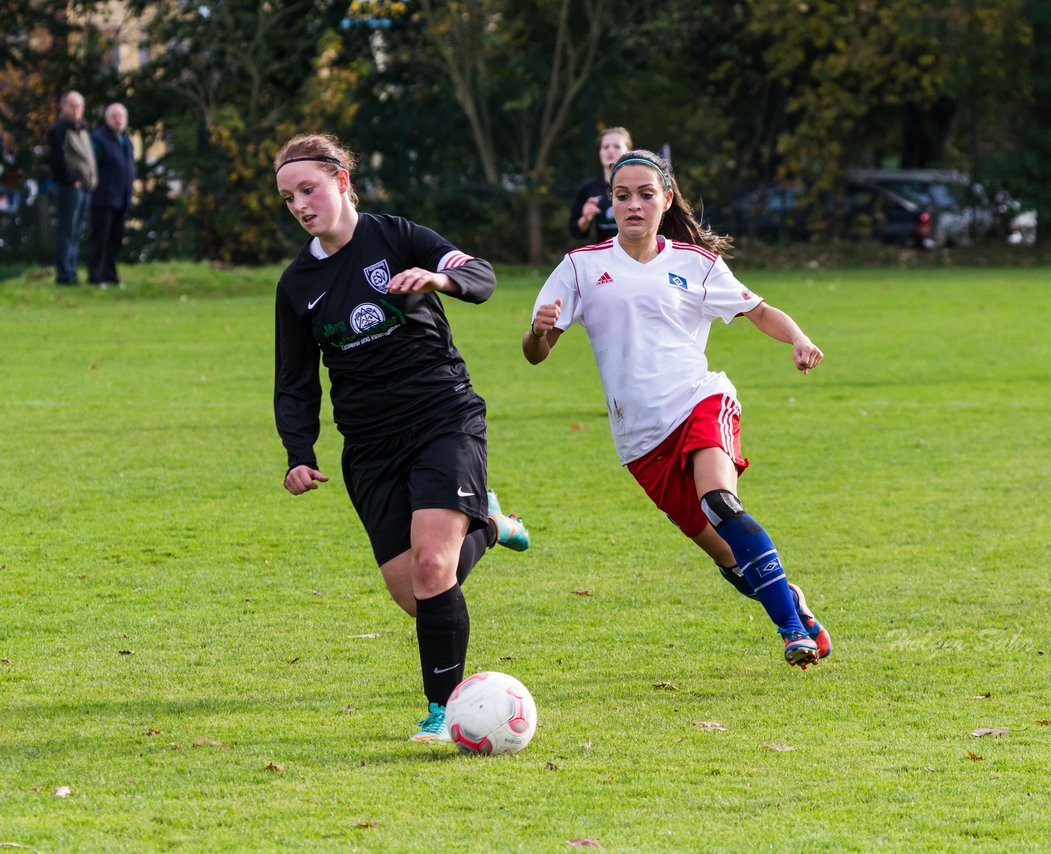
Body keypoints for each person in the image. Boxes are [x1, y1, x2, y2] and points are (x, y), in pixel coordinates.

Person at [524, 149, 832, 669]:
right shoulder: (580, 267)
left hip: (699, 401)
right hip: (640, 439)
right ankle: (795, 606)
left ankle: (789, 632)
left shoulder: (696, 263)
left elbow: (759, 311)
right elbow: (536, 354)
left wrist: (798, 339)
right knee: (730, 559)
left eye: (646, 194)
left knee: (720, 502)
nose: (634, 205)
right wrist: (537, 331)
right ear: (611, 203)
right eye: (623, 196)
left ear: (666, 200)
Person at [273, 132, 530, 743]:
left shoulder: (397, 237)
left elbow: (481, 274)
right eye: (287, 197)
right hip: (369, 445)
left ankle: (445, 712)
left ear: (341, 181)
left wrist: (443, 283)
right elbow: (294, 382)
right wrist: (298, 454)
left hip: (443, 417)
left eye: (308, 189)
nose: (300, 205)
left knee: (435, 563)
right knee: (418, 595)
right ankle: (489, 523)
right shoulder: (296, 284)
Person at [47, 91, 96, 286]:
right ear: (64, 107)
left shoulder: (81, 129)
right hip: (70, 188)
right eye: (72, 106)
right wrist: (71, 180)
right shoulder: (59, 130)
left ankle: (72, 271)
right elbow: (58, 160)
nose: (76, 110)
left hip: (84, 187)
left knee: (76, 232)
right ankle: (64, 275)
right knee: (67, 232)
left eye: (79, 106)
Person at [87, 103, 135, 288]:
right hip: (103, 198)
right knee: (100, 239)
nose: (118, 120)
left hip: (121, 198)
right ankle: (96, 276)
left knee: (115, 240)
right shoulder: (99, 140)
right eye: (114, 116)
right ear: (107, 118)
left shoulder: (126, 141)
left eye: (121, 116)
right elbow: (91, 166)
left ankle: (111, 275)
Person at [567, 127, 631, 244]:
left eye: (617, 146)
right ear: (600, 152)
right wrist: (585, 219)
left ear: (628, 152)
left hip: (638, 256)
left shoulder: (640, 185)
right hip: (605, 258)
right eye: (605, 147)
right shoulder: (589, 188)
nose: (610, 150)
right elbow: (576, 231)